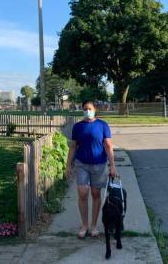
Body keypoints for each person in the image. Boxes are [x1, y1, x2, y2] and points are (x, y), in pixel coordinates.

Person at [66, 100, 116, 239]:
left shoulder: (102, 125)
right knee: (83, 193)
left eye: (89, 108)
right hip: (81, 163)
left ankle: (93, 225)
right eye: (85, 109)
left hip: (99, 165)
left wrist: (112, 165)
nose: (87, 111)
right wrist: (68, 165)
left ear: (95, 110)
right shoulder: (78, 127)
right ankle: (84, 225)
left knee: (95, 194)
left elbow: (108, 146)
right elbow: (73, 146)